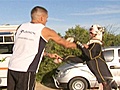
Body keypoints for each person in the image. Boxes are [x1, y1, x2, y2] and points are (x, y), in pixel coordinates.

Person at [7, 6, 76, 90]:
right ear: (42, 18)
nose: (46, 20)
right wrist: (83, 46)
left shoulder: (21, 27)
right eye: (46, 18)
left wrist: (48, 54)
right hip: (26, 70)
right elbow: (66, 44)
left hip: (12, 68)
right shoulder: (45, 30)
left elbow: (26, 49)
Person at [76, 24, 118, 90]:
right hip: (103, 79)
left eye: (91, 32)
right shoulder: (93, 45)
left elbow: (89, 55)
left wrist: (79, 45)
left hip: (105, 79)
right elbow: (82, 58)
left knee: (106, 85)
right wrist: (63, 58)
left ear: (97, 33)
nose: (90, 35)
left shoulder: (96, 45)